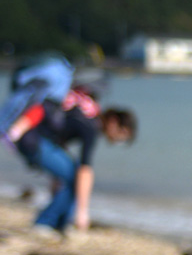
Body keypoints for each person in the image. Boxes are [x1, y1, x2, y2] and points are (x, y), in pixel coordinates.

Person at [3, 56, 137, 235]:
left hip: (34, 138)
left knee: (71, 175)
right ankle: (47, 222)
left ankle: (59, 223)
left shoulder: (84, 110)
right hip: (33, 139)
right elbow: (85, 170)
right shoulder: (90, 125)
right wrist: (83, 212)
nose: (118, 141)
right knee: (76, 177)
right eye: (121, 134)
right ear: (113, 122)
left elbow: (60, 140)